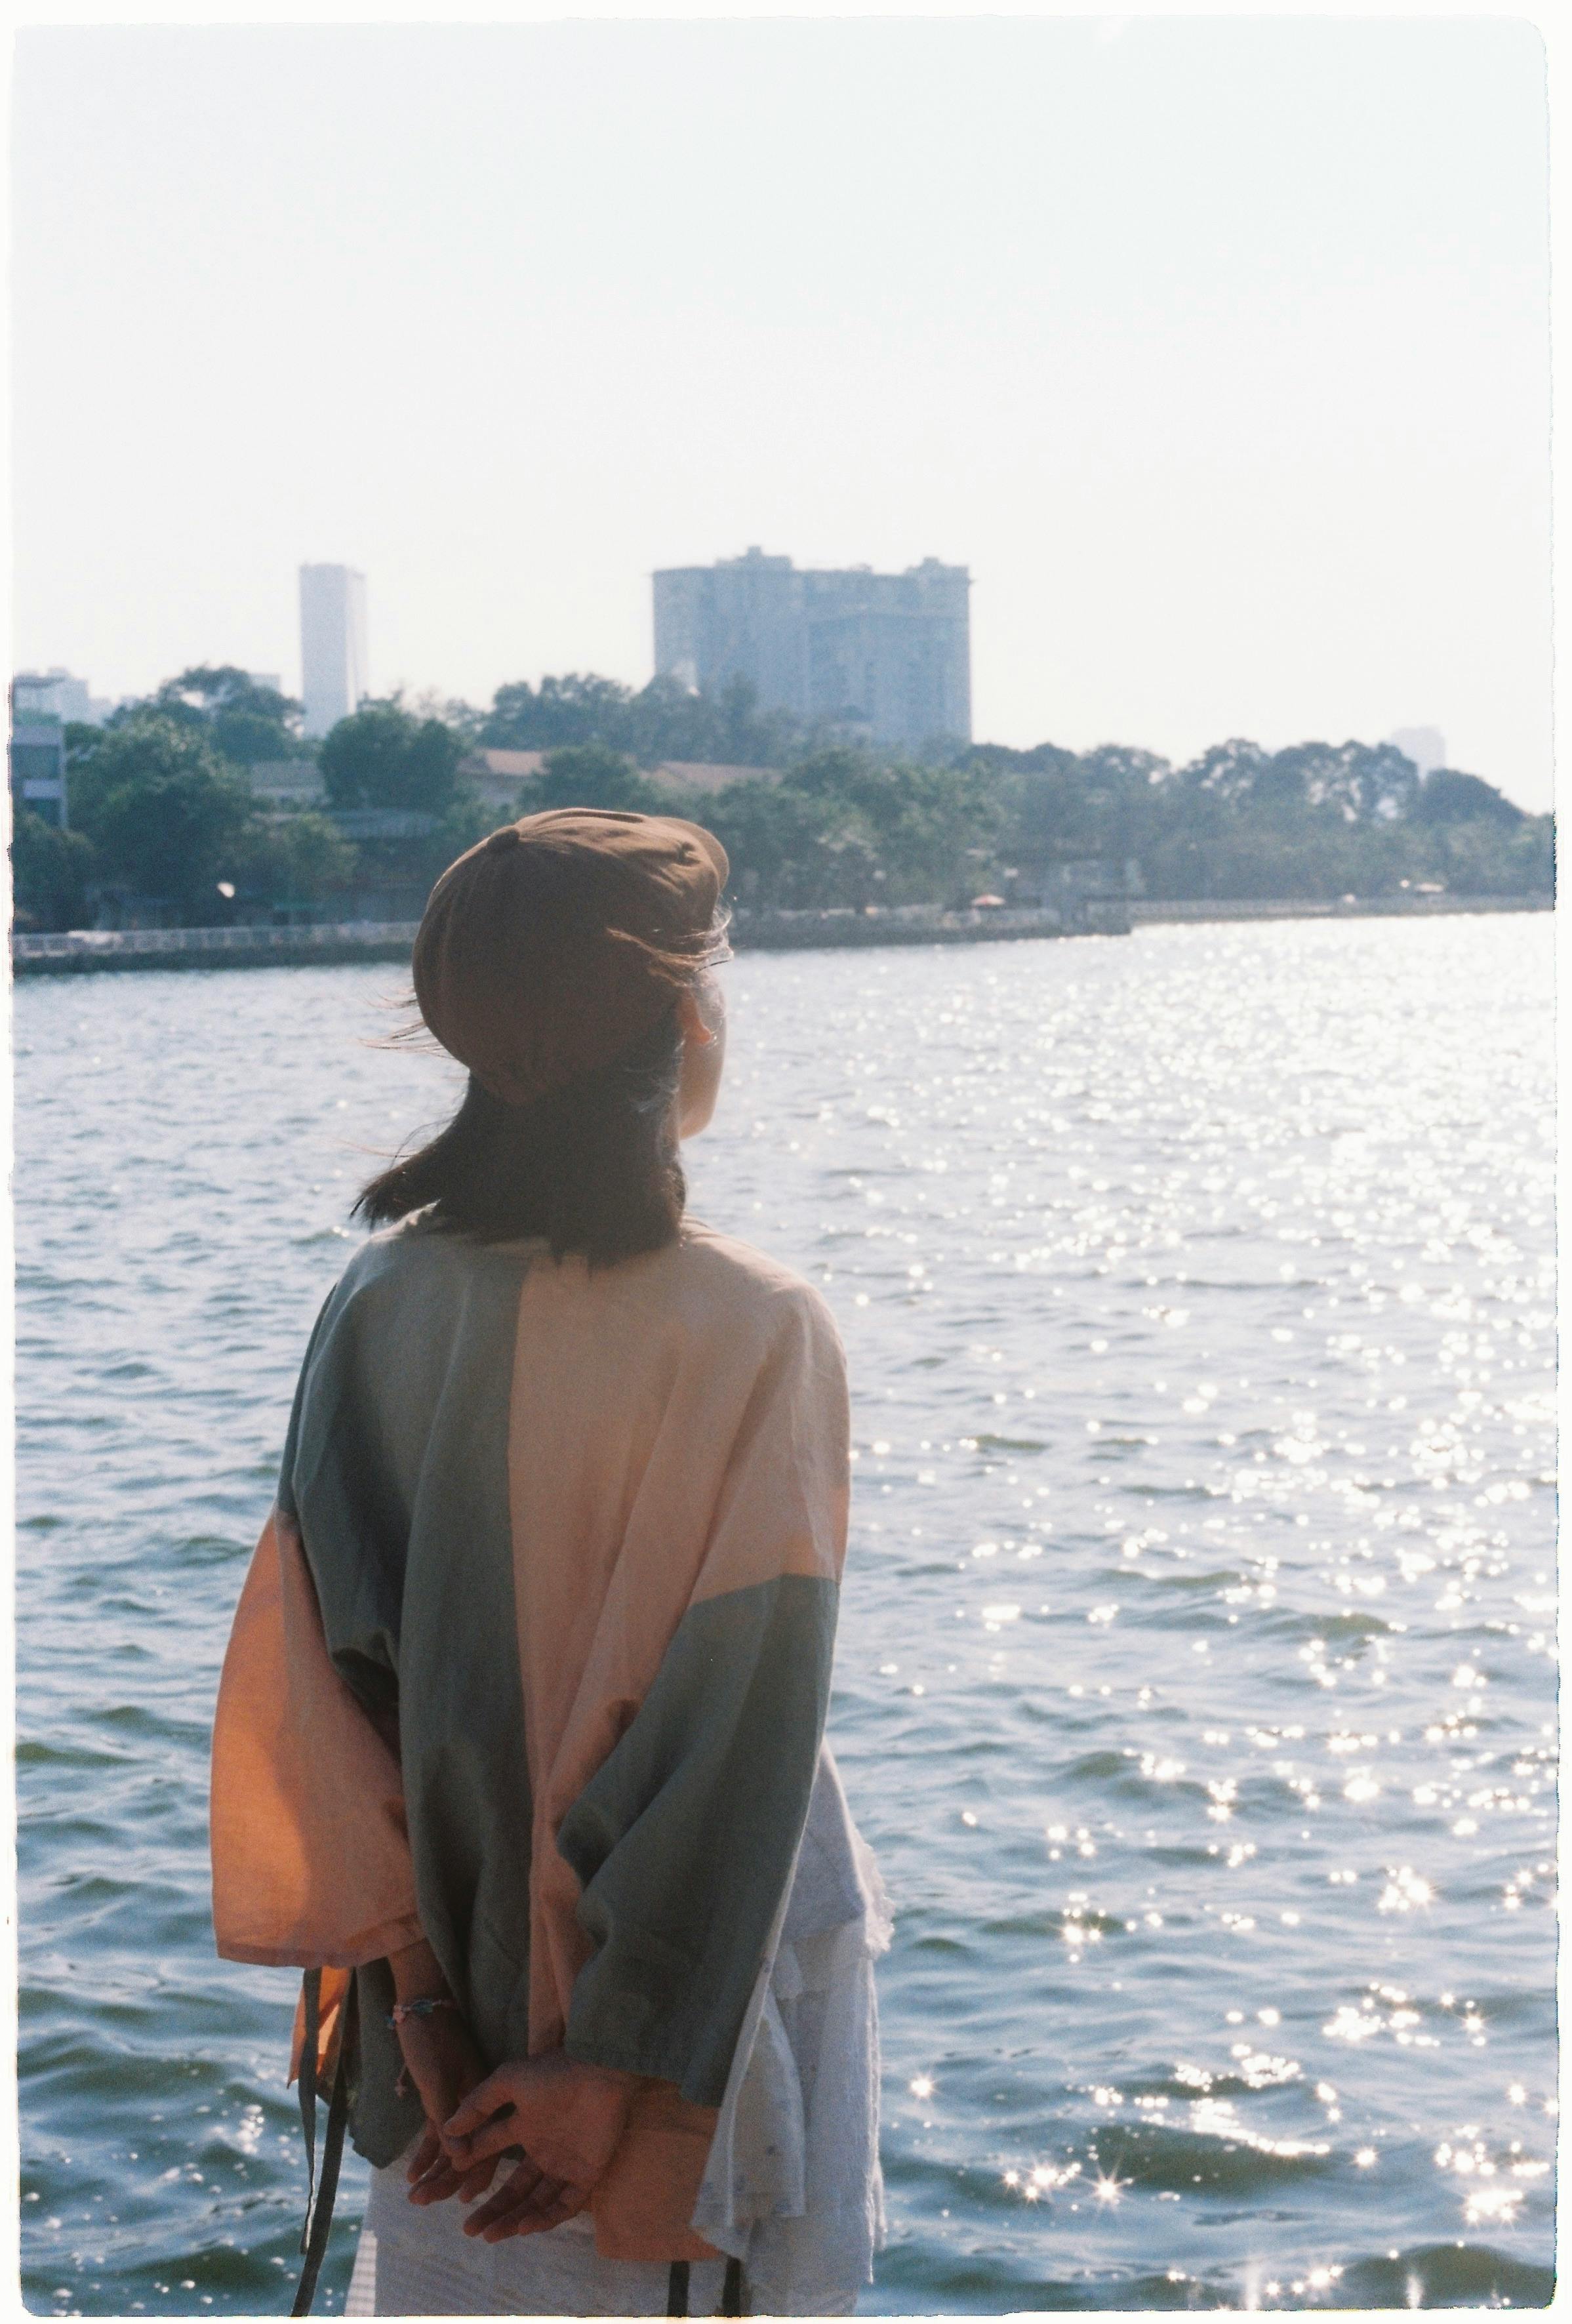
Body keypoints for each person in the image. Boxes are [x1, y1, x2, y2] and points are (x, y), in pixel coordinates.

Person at [209, 807, 889, 2318]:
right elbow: (736, 1745)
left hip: (440, 2062)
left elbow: (319, 1704)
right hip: (671, 2053)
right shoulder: (759, 1327)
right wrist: (614, 2056)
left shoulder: (374, 1304)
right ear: (676, 1018)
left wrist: (426, 2007)